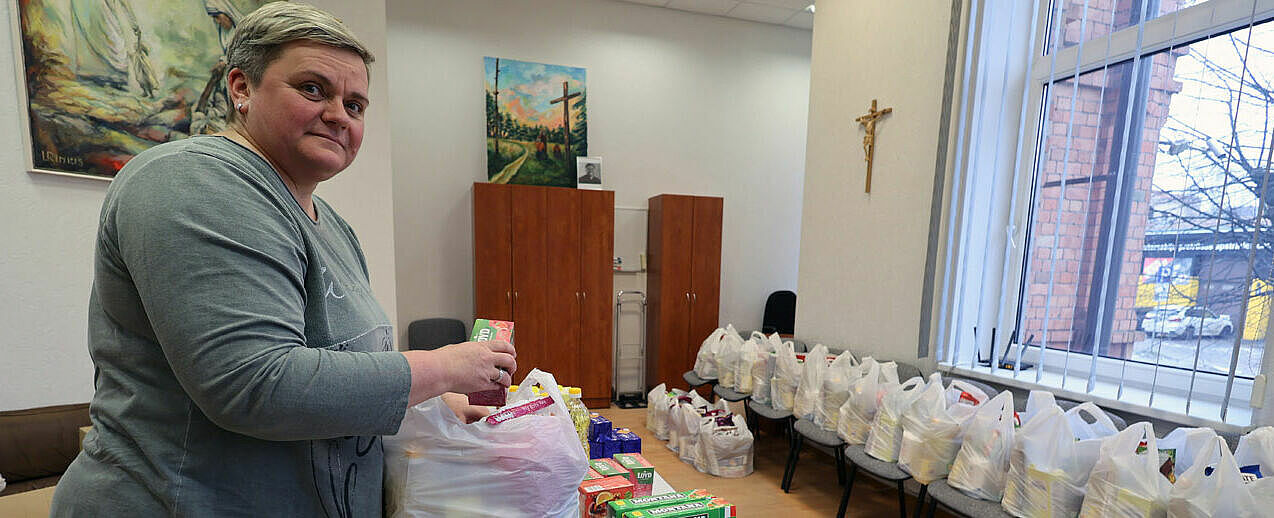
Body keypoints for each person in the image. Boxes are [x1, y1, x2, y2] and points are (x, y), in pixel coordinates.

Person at [50, 3, 516, 516]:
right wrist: (441, 367)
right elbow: (255, 384)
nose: (339, 114)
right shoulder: (193, 182)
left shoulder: (331, 225)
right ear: (241, 88)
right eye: (313, 89)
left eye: (356, 105)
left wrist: (424, 403)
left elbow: (340, 366)